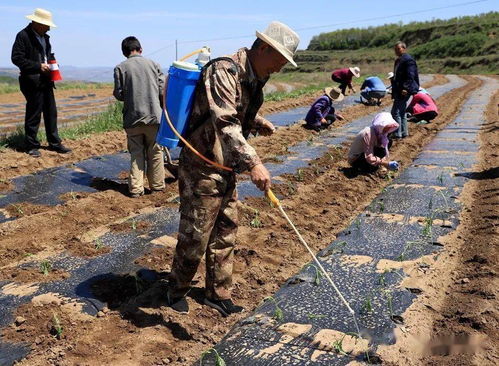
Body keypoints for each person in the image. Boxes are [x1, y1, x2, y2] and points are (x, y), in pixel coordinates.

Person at [167, 21, 300, 316]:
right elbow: (224, 120)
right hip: (202, 164)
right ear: (264, 48)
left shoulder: (251, 79)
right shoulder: (223, 70)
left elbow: (236, 114)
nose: (279, 68)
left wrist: (255, 121)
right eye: (279, 61)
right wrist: (254, 162)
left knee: (226, 231)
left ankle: (217, 293)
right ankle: (175, 289)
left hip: (225, 165)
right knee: (196, 233)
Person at [11, 8, 71, 157]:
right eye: (46, 24)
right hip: (31, 81)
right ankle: (31, 145)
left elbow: (46, 55)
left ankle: (55, 143)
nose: (49, 27)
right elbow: (16, 58)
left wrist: (52, 65)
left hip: (46, 80)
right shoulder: (23, 36)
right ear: (37, 23)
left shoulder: (46, 37)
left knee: (51, 112)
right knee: (34, 112)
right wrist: (38, 66)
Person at [113, 36, 166, 198]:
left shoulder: (120, 68)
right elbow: (162, 91)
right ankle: (157, 187)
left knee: (136, 153)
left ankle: (136, 189)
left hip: (132, 119)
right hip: (154, 117)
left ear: (124, 52)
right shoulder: (154, 65)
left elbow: (118, 94)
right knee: (156, 152)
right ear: (140, 50)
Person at [390, 41, 420, 139]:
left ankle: (397, 133)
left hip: (404, 90)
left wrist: (406, 88)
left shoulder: (408, 60)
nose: (396, 51)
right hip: (399, 89)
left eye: (398, 49)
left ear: (404, 49)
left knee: (396, 112)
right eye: (395, 49)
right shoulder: (399, 60)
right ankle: (403, 132)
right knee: (401, 111)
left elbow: (410, 76)